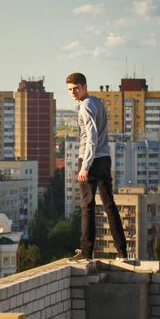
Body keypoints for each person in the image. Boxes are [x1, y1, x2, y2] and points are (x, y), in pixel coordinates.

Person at [66, 72, 128, 262]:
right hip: (104, 159)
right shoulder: (97, 102)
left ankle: (86, 252)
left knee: (88, 207)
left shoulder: (85, 107)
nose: (73, 93)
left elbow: (91, 138)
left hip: (90, 160)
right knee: (110, 205)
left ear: (84, 86)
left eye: (76, 88)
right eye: (70, 90)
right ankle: (123, 253)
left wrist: (85, 166)